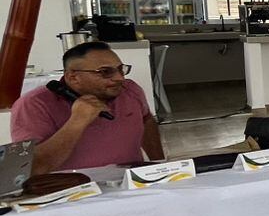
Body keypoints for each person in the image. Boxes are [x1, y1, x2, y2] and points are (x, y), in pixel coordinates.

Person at [10, 42, 165, 173]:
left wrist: (159, 163)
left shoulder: (129, 90)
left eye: (120, 69)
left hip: (129, 182)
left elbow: (146, 120)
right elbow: (31, 168)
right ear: (73, 77)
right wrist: (77, 121)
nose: (119, 78)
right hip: (71, 192)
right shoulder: (34, 104)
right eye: (105, 72)